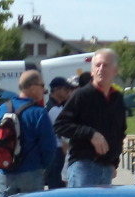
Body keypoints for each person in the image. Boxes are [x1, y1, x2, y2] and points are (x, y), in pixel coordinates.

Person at [53, 48, 126, 188]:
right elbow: (60, 125)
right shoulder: (81, 95)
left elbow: (120, 132)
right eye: (97, 65)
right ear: (92, 71)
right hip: (83, 166)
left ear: (115, 70)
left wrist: (114, 162)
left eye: (106, 65)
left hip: (106, 168)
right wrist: (90, 134)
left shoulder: (117, 98)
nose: (101, 69)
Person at [0, 70, 55, 197]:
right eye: (42, 86)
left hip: (5, 174)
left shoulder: (1, 109)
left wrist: (3, 162)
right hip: (32, 172)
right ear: (33, 87)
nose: (43, 89)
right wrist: (41, 166)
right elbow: (48, 147)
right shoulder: (39, 113)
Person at [44, 76, 73, 188]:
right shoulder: (54, 110)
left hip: (56, 152)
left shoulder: (55, 107)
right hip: (58, 152)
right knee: (58, 187)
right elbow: (64, 136)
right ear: (56, 90)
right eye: (65, 89)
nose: (67, 92)